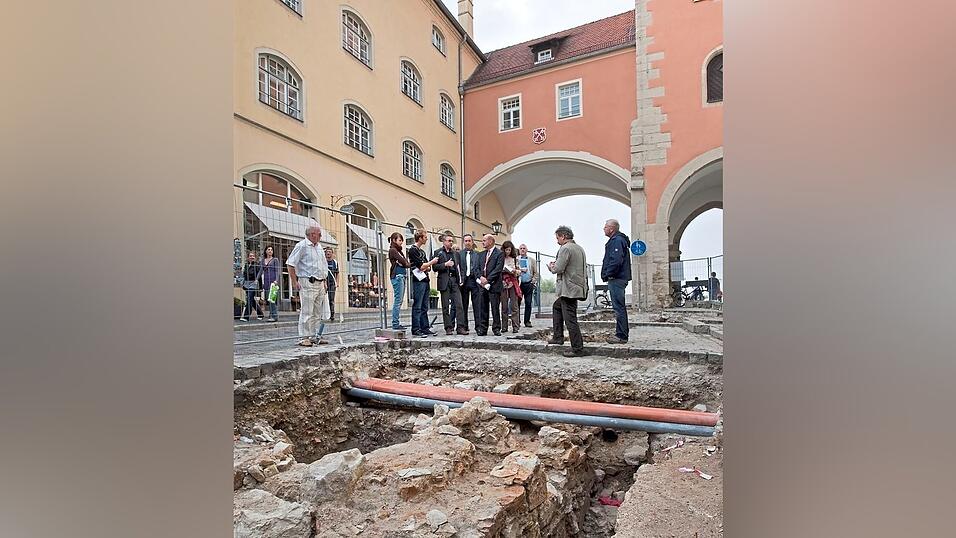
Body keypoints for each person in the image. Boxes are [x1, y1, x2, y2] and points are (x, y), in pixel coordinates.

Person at [547, 225, 589, 357]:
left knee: (570, 319)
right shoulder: (579, 248)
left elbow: (558, 269)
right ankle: (558, 337)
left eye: (557, 237)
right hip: (576, 287)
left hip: (568, 289)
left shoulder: (565, 248)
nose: (557, 240)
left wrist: (551, 267)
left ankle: (578, 348)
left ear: (563, 236)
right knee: (557, 307)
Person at [286, 225, 331, 347]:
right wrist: (294, 281)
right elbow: (290, 264)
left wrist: (324, 281)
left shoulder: (319, 247)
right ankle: (304, 337)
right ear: (312, 234)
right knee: (307, 311)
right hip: (308, 282)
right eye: (319, 234)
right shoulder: (302, 246)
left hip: (320, 282)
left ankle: (314, 335)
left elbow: (323, 266)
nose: (321, 236)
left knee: (317, 311)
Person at [600, 219, 632, 344]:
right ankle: (621, 334)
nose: (604, 228)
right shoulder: (617, 240)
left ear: (612, 228)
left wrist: (609, 274)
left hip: (617, 278)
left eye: (605, 226)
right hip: (618, 277)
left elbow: (616, 260)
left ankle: (621, 336)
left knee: (619, 307)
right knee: (619, 307)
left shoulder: (617, 241)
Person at [433, 234, 467, 335]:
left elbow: (460, 268)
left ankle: (460, 327)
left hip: (454, 280)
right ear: (444, 242)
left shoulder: (456, 253)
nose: (451, 242)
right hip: (444, 280)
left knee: (459, 304)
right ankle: (448, 327)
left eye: (452, 241)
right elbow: (434, 267)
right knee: (445, 306)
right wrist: (445, 265)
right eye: (449, 241)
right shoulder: (438, 252)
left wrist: (461, 279)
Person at [408, 230, 439, 337]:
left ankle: (424, 327)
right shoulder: (413, 250)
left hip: (425, 280)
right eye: (425, 237)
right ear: (420, 238)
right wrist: (431, 262)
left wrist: (427, 265)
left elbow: (427, 267)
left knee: (425, 306)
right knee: (418, 305)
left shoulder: (422, 252)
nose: (426, 238)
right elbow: (422, 266)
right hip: (418, 281)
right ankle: (416, 329)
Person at [475, 234, 504, 336]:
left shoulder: (499, 253)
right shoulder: (480, 254)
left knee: (495, 308)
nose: (482, 242)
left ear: (491, 241)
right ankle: (483, 329)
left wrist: (488, 280)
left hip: (494, 285)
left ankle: (496, 328)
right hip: (482, 285)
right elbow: (477, 268)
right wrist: (481, 278)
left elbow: (498, 269)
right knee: (483, 307)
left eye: (484, 240)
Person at [458, 234, 480, 332]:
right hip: (464, 282)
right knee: (464, 305)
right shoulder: (459, 254)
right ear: (463, 242)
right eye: (466, 241)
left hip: (474, 281)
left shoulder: (477, 254)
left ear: (472, 242)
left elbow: (479, 268)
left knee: (477, 305)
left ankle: (478, 327)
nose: (467, 242)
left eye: (469, 241)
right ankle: (464, 326)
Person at [388, 232, 411, 330]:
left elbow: (406, 263)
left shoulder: (399, 251)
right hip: (397, 276)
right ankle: (395, 323)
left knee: (399, 300)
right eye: (399, 240)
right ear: (394, 240)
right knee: (398, 301)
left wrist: (404, 263)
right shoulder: (393, 250)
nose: (401, 242)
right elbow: (403, 262)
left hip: (402, 275)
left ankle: (396, 323)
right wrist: (404, 263)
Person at [499, 241, 523, 333]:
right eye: (506, 250)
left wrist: (514, 271)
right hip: (503, 282)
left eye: (509, 250)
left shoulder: (515, 259)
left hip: (513, 282)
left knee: (514, 305)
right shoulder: (500, 258)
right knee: (504, 306)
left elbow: (519, 270)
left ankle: (515, 326)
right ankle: (504, 326)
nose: (507, 252)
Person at [517, 244, 538, 327]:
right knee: (517, 303)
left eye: (524, 248)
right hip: (518, 284)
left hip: (528, 283)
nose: (522, 250)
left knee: (528, 303)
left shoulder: (532, 260)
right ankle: (517, 321)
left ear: (527, 250)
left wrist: (533, 281)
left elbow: (536, 272)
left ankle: (527, 321)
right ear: (519, 250)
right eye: (521, 248)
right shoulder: (516, 259)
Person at [239, 251, 264, 322]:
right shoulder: (246, 265)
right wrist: (243, 284)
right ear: (248, 257)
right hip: (247, 284)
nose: (252, 257)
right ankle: (260, 314)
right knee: (251, 300)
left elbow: (259, 277)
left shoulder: (257, 265)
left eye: (253, 256)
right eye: (250, 256)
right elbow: (244, 275)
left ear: (255, 258)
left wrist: (261, 287)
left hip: (254, 284)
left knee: (249, 299)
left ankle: (246, 316)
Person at [260, 245, 280, 322]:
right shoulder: (263, 260)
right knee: (268, 299)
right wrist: (256, 279)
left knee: (272, 299)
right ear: (266, 251)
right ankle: (271, 314)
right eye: (268, 249)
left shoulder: (275, 260)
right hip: (266, 281)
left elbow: (277, 271)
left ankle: (274, 316)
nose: (270, 251)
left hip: (273, 282)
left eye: (271, 250)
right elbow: (261, 271)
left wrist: (276, 280)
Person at [324, 247, 339, 321]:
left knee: (331, 300)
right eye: (327, 252)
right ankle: (323, 315)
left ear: (332, 253)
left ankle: (332, 315)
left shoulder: (335, 262)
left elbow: (337, 273)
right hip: (323, 283)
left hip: (332, 283)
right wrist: (324, 282)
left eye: (330, 252)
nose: (328, 253)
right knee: (322, 299)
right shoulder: (323, 262)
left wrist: (337, 282)